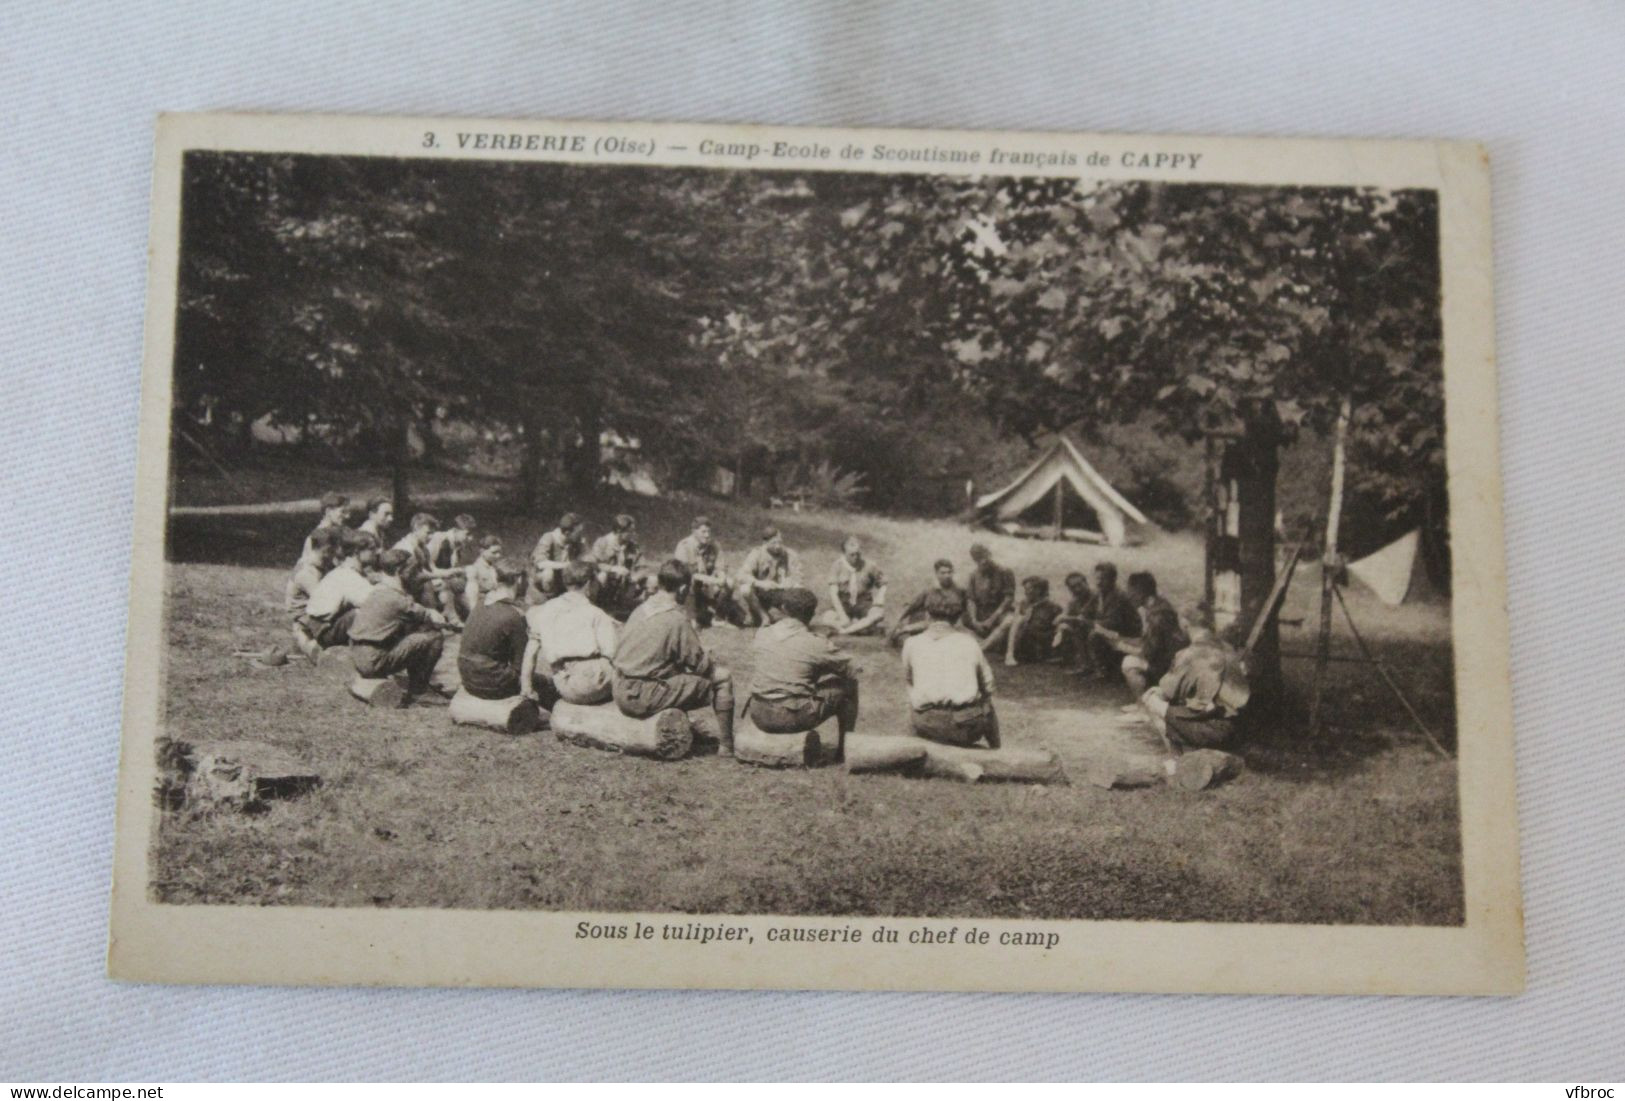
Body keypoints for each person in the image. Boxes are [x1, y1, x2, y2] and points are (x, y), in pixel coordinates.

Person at [611, 558, 736, 754]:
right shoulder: (676, 618)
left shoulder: (640, 609)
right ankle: (727, 745)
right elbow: (699, 665)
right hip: (642, 695)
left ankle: (686, 728)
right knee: (722, 678)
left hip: (620, 688)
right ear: (683, 588)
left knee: (675, 672)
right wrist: (709, 656)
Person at [745, 587, 859, 759]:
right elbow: (854, 670)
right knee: (848, 686)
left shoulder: (763, 633)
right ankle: (843, 751)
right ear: (812, 613)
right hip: (791, 717)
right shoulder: (816, 643)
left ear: (784, 608)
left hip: (758, 714)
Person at [1140, 608, 1251, 751]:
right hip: (1239, 725)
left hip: (1215, 730)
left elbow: (1167, 691)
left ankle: (1180, 758)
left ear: (1184, 623)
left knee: (1152, 699)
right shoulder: (1227, 647)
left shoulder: (1190, 653)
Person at [900, 590, 999, 748]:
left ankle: (911, 746)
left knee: (912, 698)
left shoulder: (911, 643)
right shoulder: (969, 643)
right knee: (987, 701)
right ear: (958, 617)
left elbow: (909, 681)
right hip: (965, 725)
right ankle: (996, 749)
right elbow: (988, 686)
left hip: (926, 723)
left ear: (927, 614)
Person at [347, 549, 449, 700]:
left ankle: (415, 684)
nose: (416, 574)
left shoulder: (379, 589)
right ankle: (419, 691)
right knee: (434, 637)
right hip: (373, 660)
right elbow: (435, 619)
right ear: (399, 571)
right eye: (413, 570)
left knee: (413, 630)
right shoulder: (398, 600)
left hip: (358, 655)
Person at [522, 559, 620, 706]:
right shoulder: (596, 613)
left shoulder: (546, 609)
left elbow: (531, 652)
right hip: (594, 683)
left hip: (564, 683)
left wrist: (526, 687)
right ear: (589, 584)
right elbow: (612, 653)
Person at [1095, 570, 1188, 696]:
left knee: (1128, 662)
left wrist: (1120, 646)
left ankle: (1143, 702)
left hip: (1168, 666)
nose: (1129, 596)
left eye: (1131, 592)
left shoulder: (1157, 616)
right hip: (1169, 660)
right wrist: (1118, 638)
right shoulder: (1158, 605)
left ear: (1141, 592)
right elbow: (1146, 641)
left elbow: (1148, 653)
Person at [455, 557, 531, 700]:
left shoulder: (481, 603)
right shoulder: (514, 615)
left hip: (467, 678)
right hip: (492, 684)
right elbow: (521, 665)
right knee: (543, 683)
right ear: (519, 580)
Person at [299, 528, 376, 650]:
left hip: (331, 624)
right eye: (372, 549)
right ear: (357, 552)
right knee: (366, 613)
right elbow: (371, 601)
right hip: (325, 631)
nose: (376, 552)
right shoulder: (347, 575)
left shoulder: (349, 570)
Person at [980, 575, 1064, 667]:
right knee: (1011, 619)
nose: (1025, 592)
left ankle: (988, 648)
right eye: (1025, 589)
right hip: (1021, 642)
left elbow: (1059, 627)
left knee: (1014, 619)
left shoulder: (1053, 607)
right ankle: (1004, 653)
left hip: (1037, 645)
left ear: (1038, 590)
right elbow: (1014, 624)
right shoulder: (1024, 603)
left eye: (1028, 589)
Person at [1079, 561, 1141, 678]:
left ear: (1112, 579)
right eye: (1097, 578)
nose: (1099, 582)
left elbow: (1111, 622)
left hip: (1126, 635)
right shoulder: (1099, 594)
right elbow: (1085, 611)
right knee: (1081, 627)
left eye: (1103, 579)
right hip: (1110, 631)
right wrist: (1082, 619)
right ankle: (1087, 665)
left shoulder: (1119, 596)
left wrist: (1089, 622)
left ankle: (1102, 670)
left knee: (1095, 634)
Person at [733, 525, 804, 626]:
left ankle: (794, 618)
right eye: (773, 543)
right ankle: (764, 617)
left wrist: (789, 582)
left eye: (780, 542)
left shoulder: (790, 554)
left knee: (799, 588)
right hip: (762, 593)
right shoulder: (757, 554)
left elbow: (799, 577)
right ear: (765, 543)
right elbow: (741, 575)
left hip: (783, 592)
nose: (778, 546)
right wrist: (760, 583)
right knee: (745, 589)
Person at [888, 559, 969, 647]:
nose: (947, 576)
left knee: (969, 643)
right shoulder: (929, 591)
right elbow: (910, 608)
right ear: (936, 574)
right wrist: (897, 623)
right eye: (943, 573)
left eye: (949, 572)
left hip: (953, 626)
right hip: (930, 625)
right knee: (902, 635)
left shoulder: (960, 591)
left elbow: (967, 612)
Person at [286, 526, 339, 660]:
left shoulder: (325, 564)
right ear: (318, 549)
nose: (332, 555)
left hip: (317, 614)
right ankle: (303, 640)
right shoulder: (307, 572)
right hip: (305, 618)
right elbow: (323, 601)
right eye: (328, 551)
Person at [817, 535, 887, 636]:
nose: (856, 557)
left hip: (863, 603)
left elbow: (883, 583)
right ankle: (859, 627)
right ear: (844, 553)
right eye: (852, 554)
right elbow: (833, 593)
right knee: (826, 618)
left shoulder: (870, 565)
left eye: (858, 554)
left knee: (879, 614)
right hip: (844, 603)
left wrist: (880, 596)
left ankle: (845, 630)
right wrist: (842, 615)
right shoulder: (837, 566)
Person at [672, 515, 732, 627]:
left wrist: (722, 578)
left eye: (709, 531)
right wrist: (712, 580)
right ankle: (692, 618)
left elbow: (720, 567)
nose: (707, 535)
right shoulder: (684, 546)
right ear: (694, 531)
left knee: (729, 582)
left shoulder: (715, 545)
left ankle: (717, 617)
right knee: (689, 583)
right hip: (687, 587)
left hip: (707, 586)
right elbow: (687, 574)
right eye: (703, 532)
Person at [589, 513, 647, 615]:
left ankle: (623, 608)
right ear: (619, 531)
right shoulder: (602, 542)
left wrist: (635, 577)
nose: (633, 534)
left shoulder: (633, 546)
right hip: (605, 583)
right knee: (602, 575)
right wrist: (612, 569)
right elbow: (593, 564)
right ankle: (596, 606)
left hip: (625, 583)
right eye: (630, 531)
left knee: (650, 580)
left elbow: (643, 567)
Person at [425, 513, 478, 622]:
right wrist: (452, 572)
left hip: (442, 577)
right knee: (446, 587)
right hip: (428, 579)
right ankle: (453, 618)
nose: (470, 538)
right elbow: (427, 565)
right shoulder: (439, 539)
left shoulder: (457, 545)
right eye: (467, 534)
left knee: (466, 582)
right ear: (455, 530)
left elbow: (451, 566)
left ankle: (475, 615)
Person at [530, 512, 587, 602]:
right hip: (547, 582)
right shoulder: (549, 537)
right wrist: (567, 565)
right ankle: (548, 600)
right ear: (567, 533)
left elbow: (586, 561)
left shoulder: (577, 542)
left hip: (565, 580)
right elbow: (541, 563)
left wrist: (584, 549)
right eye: (578, 532)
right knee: (547, 573)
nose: (581, 535)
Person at [964, 543, 1016, 640]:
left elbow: (1008, 598)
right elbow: (971, 599)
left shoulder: (1005, 572)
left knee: (1009, 621)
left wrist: (992, 619)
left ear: (990, 554)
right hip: (981, 611)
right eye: (978, 559)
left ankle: (984, 645)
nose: (983, 561)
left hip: (999, 612)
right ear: (974, 560)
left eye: (985, 556)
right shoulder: (974, 575)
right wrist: (974, 620)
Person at [1049, 571, 1095, 668]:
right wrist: (1062, 619)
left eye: (1079, 585)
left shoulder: (1095, 596)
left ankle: (1086, 664)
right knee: (1064, 627)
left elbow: (1084, 618)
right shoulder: (1074, 600)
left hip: (1098, 627)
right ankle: (1068, 658)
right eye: (1073, 587)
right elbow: (1063, 616)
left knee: (1076, 628)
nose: (1077, 589)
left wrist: (1065, 618)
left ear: (1086, 583)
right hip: (1084, 627)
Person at [299, 491, 351, 563]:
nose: (348, 516)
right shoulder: (316, 537)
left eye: (348, 512)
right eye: (343, 512)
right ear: (328, 511)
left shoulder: (343, 531)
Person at [462, 534, 506, 612]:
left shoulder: (496, 568)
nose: (498, 556)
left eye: (499, 552)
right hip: (482, 607)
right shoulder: (474, 569)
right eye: (494, 552)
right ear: (482, 551)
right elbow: (472, 596)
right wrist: (475, 612)